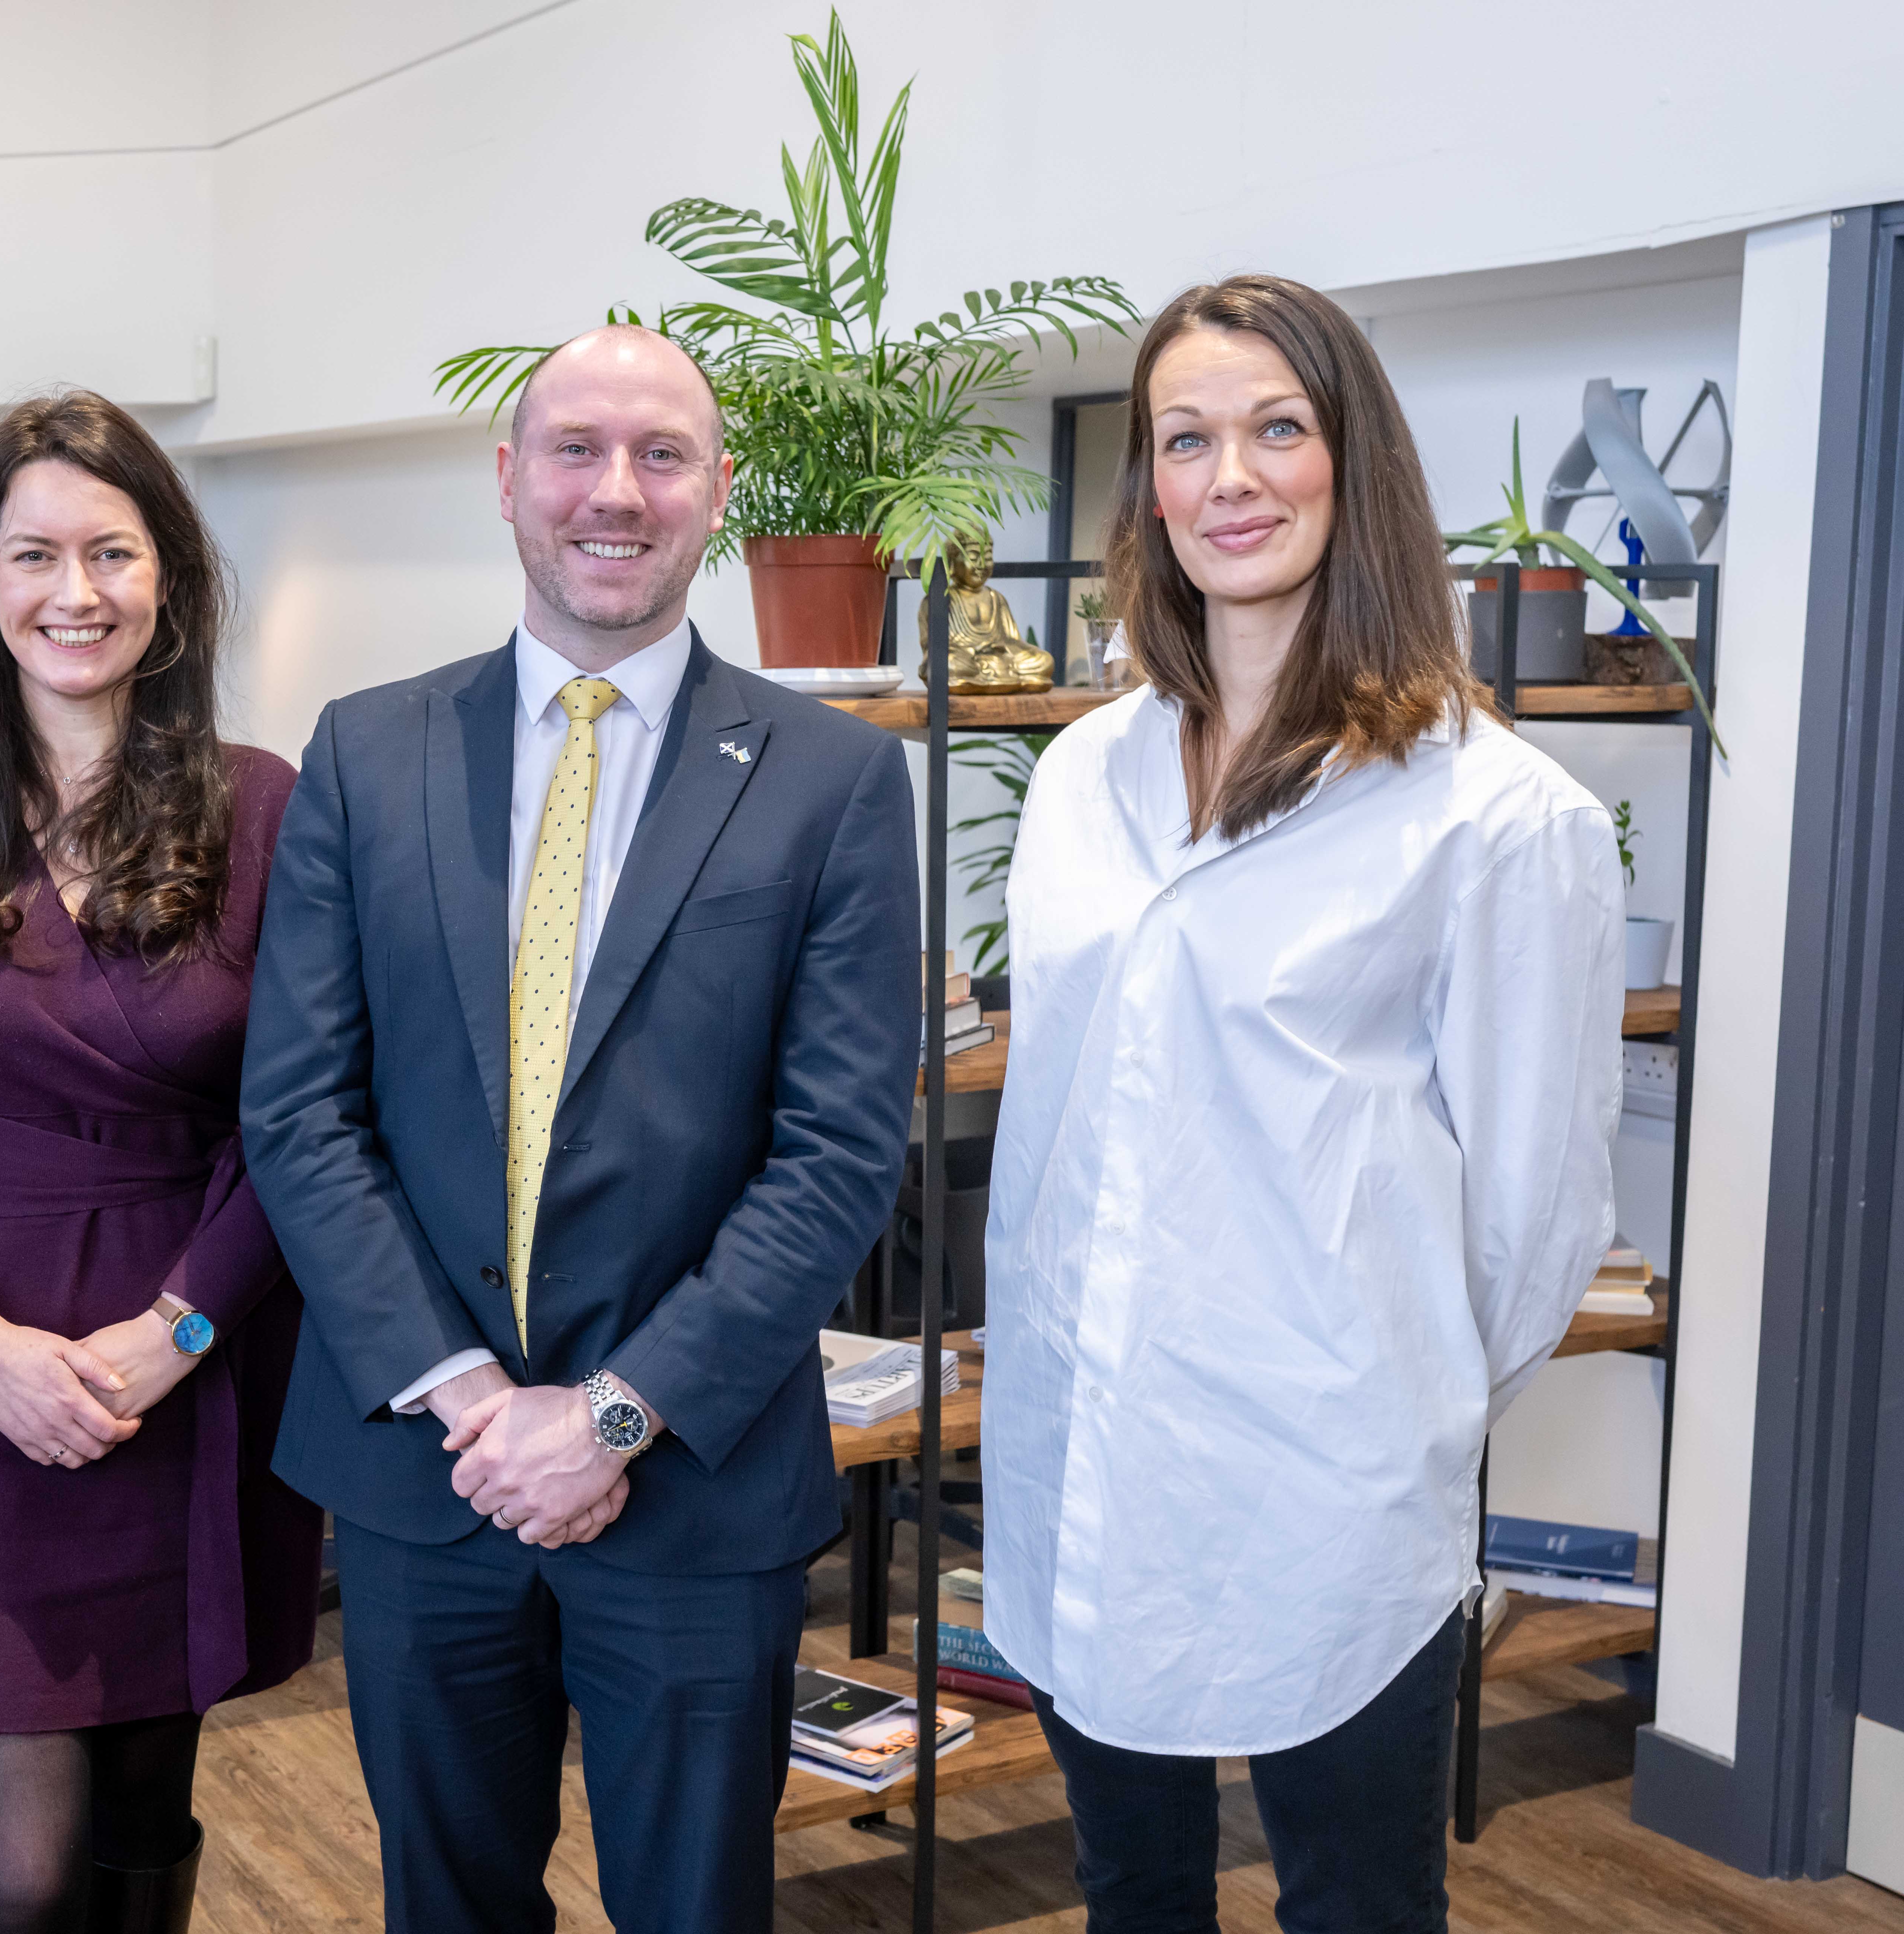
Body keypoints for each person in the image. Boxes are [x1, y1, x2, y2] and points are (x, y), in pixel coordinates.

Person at [239, 324, 921, 1931]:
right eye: (575, 450)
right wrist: (482, 1406)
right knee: (449, 1905)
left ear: (718, 495)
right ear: (507, 480)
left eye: (662, 455)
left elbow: (836, 1155)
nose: (615, 493)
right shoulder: (367, 750)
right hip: (429, 1476)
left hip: (695, 1486)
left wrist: (611, 1418)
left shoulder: (829, 780)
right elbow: (301, 1109)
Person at [983, 274, 1625, 1931]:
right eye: (1185, 440)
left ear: (1357, 466)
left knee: (1350, 1908)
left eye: (1279, 428)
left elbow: (1533, 1227)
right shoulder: (1083, 775)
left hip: (1326, 1490)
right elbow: (1062, 1127)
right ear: (1149, 490)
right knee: (1132, 1892)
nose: (1230, 478)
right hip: (1087, 1459)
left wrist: (1361, 1385)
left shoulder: (1493, 814)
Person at [0, 391, 316, 1934]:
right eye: (34, 555)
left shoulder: (261, 804)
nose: (72, 592)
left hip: (188, 1375)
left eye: (110, 551)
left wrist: (176, 1337)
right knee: (14, 1878)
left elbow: (294, 1118)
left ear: (169, 580)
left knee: (146, 1826)